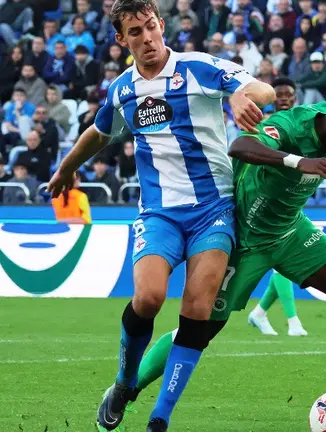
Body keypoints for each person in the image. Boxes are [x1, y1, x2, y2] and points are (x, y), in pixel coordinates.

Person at [125, 64, 326, 429]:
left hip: (291, 230)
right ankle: (127, 391)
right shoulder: (292, 126)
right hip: (246, 239)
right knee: (198, 332)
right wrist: (298, 161)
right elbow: (241, 145)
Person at [45, 0, 275, 431]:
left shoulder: (197, 68)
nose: (147, 38)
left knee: (197, 309)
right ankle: (124, 383)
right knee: (148, 299)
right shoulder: (123, 90)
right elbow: (99, 133)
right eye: (136, 32)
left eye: (151, 27)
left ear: (161, 24)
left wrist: (244, 94)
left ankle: (159, 418)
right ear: (121, 39)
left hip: (214, 210)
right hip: (159, 215)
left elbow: (259, 87)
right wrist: (65, 169)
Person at [247, 76, 309, 337]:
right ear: (272, 97)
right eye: (279, 94)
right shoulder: (264, 123)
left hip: (292, 197)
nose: (284, 98)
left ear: (295, 97)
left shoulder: (303, 123)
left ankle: (260, 312)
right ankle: (293, 321)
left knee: (284, 257)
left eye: (288, 94)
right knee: (281, 256)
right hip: (265, 197)